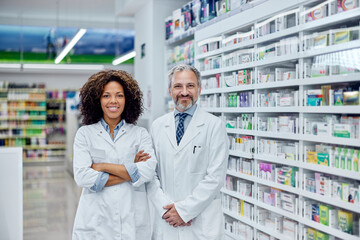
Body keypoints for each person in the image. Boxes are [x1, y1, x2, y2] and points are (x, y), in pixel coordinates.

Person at [72, 69, 156, 240]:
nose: (113, 101)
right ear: (97, 100)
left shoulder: (140, 134)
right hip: (96, 220)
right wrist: (131, 170)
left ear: (128, 99)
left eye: (119, 95)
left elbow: (147, 171)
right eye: (106, 96)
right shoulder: (85, 134)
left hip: (131, 219)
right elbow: (82, 176)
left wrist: (101, 166)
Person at [147, 64, 229, 239]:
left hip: (201, 223)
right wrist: (167, 209)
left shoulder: (214, 126)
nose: (184, 92)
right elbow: (151, 175)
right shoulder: (158, 126)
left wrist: (184, 211)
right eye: (178, 86)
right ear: (170, 90)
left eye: (190, 86)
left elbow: (216, 177)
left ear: (199, 89)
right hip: (166, 219)